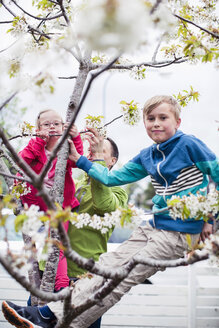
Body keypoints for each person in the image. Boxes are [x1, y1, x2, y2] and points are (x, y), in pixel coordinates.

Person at [2, 95, 219, 328]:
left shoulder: (189, 145)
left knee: (121, 279)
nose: (156, 123)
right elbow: (112, 177)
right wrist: (82, 160)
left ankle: (49, 317)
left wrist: (211, 219)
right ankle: (49, 317)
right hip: (153, 226)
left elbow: (216, 175)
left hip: (179, 231)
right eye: (150, 118)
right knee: (104, 269)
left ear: (177, 121)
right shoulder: (148, 155)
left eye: (163, 118)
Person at [17, 109, 83, 293]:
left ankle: (61, 286)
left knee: (57, 247)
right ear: (38, 129)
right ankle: (41, 286)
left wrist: (76, 138)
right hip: (36, 204)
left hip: (60, 205)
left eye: (56, 123)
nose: (52, 127)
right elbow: (21, 162)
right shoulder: (34, 147)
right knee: (40, 247)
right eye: (46, 124)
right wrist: (39, 141)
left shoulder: (65, 148)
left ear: (64, 127)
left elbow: (77, 160)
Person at [67, 131, 128, 328]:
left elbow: (103, 205)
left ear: (112, 160)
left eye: (100, 151)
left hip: (87, 278)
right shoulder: (75, 185)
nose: (92, 154)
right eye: (91, 151)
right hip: (56, 272)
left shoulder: (119, 192)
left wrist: (96, 164)